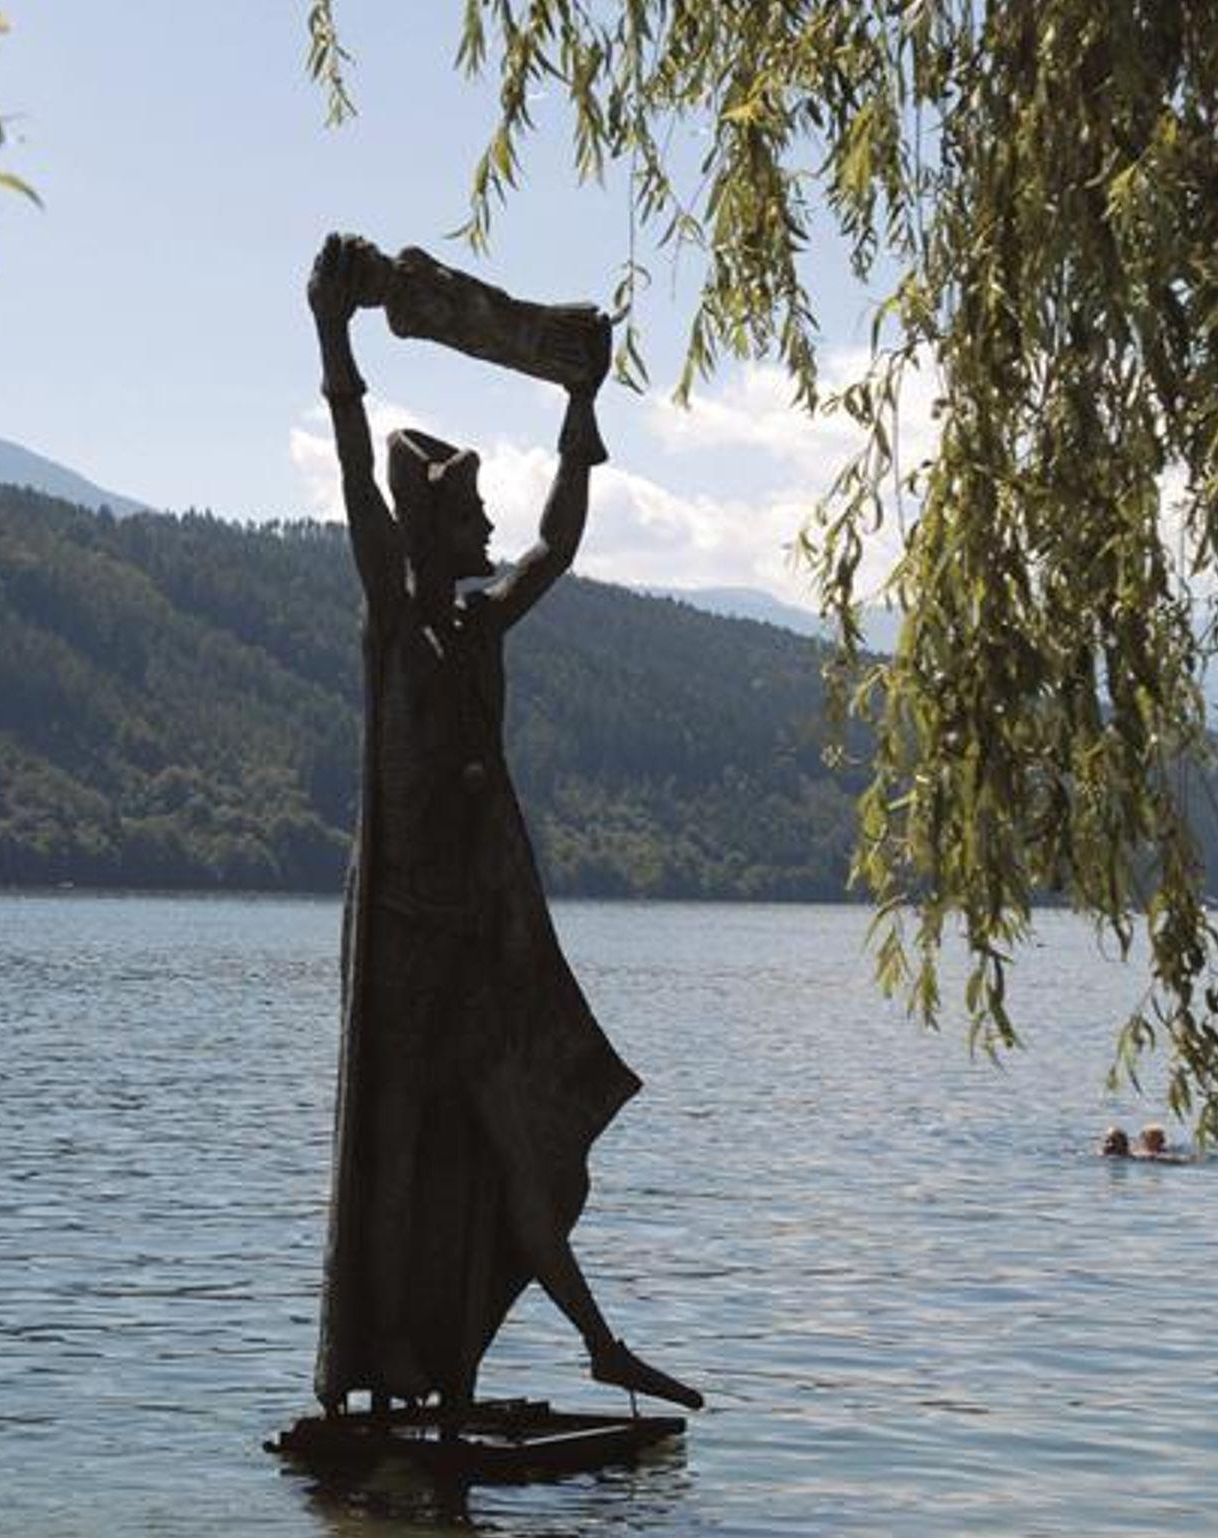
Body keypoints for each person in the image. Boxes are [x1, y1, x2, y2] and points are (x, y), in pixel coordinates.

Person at [307, 233, 702, 1417]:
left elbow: (556, 545)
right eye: (469, 511)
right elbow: (352, 474)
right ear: (429, 529)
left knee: (509, 1144)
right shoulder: (393, 620)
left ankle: (591, 1343)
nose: (486, 526)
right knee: (399, 1149)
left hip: (473, 946)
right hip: (404, 943)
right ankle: (394, 1364)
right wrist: (332, 337)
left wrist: (582, 409)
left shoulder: (478, 632)